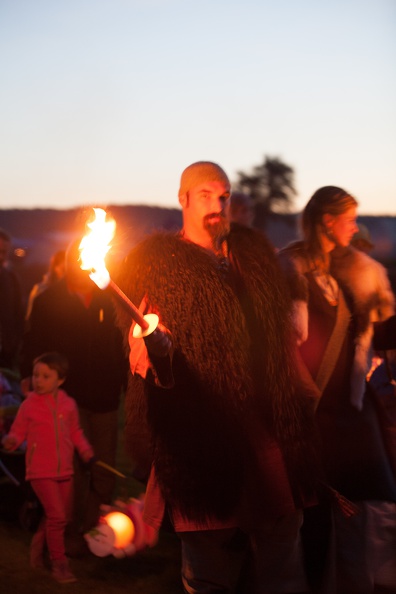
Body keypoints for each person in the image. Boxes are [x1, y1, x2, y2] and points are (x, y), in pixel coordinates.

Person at [114, 161, 317, 594]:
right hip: (201, 439)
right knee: (210, 572)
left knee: (283, 559)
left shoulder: (253, 260)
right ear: (183, 199)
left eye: (223, 196)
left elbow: (280, 343)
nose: (217, 205)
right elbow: (138, 351)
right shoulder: (158, 266)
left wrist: (306, 393)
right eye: (205, 195)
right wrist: (156, 350)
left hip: (266, 433)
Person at [279, 186, 396, 593]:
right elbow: (281, 347)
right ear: (327, 221)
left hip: (347, 413)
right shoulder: (291, 270)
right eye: (348, 218)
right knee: (313, 524)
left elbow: (372, 333)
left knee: (369, 503)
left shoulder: (349, 276)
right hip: (309, 417)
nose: (354, 226)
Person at [20, 237, 127, 546]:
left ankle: (93, 532)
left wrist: (125, 384)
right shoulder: (49, 301)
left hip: (105, 397)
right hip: (68, 398)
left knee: (104, 468)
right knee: (73, 471)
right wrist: (31, 376)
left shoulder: (110, 298)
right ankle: (68, 533)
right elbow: (34, 343)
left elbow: (120, 348)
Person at [2, 352, 94, 583]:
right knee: (57, 516)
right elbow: (18, 431)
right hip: (41, 471)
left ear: (60, 380)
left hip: (65, 471)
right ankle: (59, 564)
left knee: (58, 517)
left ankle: (36, 551)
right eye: (36, 375)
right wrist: (11, 440)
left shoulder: (68, 405)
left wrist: (85, 452)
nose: (38, 381)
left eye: (45, 376)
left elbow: (75, 432)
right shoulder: (29, 406)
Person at [0, 228, 24, 370]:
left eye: (4, 252)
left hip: (6, 354)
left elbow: (18, 315)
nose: (2, 256)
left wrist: (14, 345)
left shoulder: (11, 279)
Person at [25, 249, 66, 320]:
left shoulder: (71, 291)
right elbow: (30, 317)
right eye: (63, 269)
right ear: (55, 267)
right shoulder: (41, 289)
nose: (66, 273)